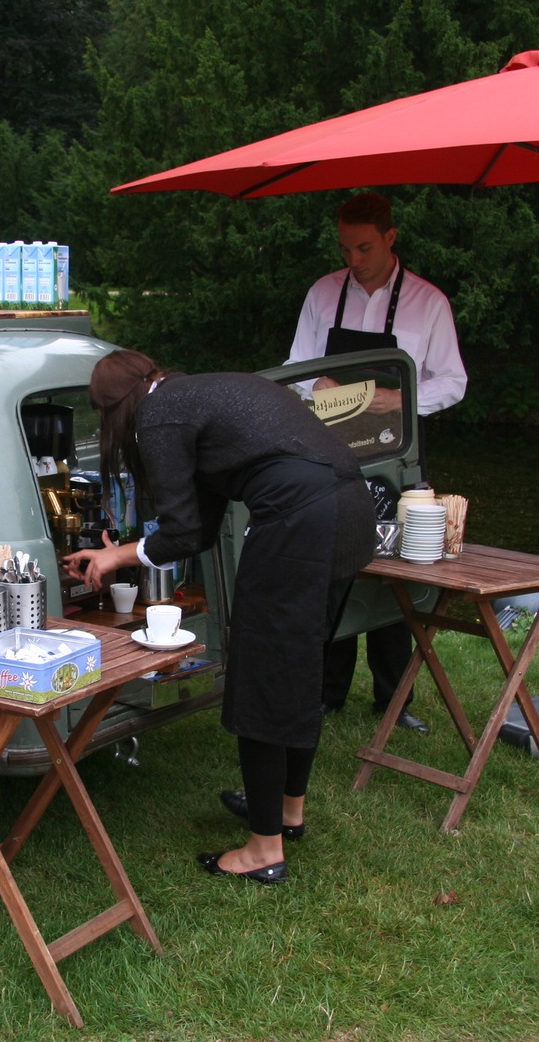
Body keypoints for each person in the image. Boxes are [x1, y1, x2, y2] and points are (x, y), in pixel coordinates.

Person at [62, 350, 378, 885]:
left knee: (261, 675)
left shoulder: (157, 417)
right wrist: (122, 554)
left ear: (115, 408)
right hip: (351, 509)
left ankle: (262, 850)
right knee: (298, 666)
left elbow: (184, 533)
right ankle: (285, 811)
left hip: (297, 521)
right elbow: (201, 528)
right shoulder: (199, 392)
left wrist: (118, 555)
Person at [286, 193, 468, 734]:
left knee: (398, 571)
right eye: (345, 248)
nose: (354, 259)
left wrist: (402, 398)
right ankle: (327, 691)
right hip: (330, 447)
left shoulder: (428, 302)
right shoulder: (323, 293)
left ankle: (395, 699)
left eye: (364, 247)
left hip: (397, 451)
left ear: (391, 238)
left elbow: (454, 382)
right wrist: (310, 382)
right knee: (332, 566)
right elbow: (293, 365)